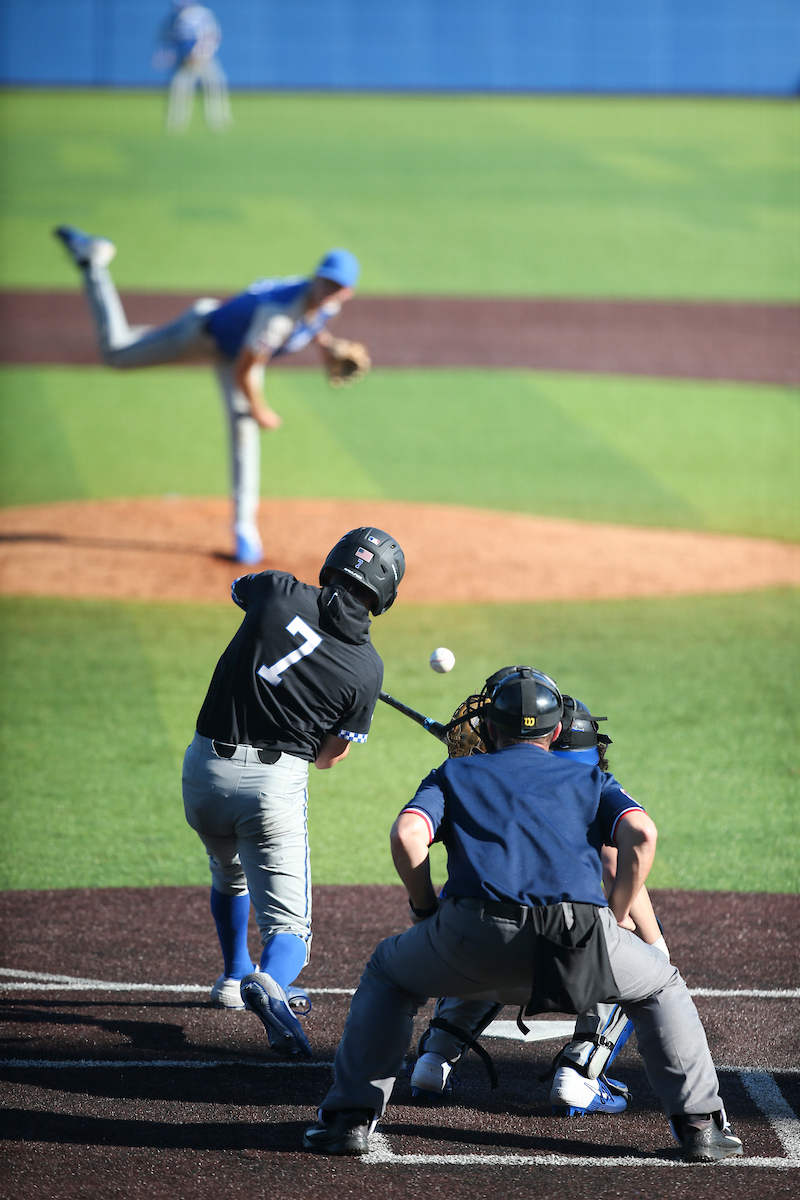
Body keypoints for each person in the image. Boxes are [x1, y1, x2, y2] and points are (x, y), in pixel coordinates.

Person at [303, 668, 743, 1162]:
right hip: (577, 942)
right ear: (557, 732)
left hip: (473, 939)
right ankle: (701, 1127)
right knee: (660, 986)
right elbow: (641, 835)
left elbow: (407, 835)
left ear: (488, 727)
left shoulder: (453, 774)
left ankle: (347, 1120)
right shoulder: (589, 776)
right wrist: (614, 917)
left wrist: (425, 909)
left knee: (388, 973)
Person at [181, 526, 405, 1057]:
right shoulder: (366, 668)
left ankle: (234, 977)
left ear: (332, 565)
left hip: (203, 774)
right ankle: (271, 982)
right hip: (271, 787)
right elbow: (327, 757)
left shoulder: (278, 589)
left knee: (228, 871)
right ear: (384, 596)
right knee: (291, 930)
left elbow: (240, 591)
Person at [409, 690, 670, 1117]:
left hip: (476, 953)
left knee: (480, 922)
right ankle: (579, 1072)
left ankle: (434, 1056)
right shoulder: (583, 787)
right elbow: (616, 858)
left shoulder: (477, 781)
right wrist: (650, 942)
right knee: (628, 953)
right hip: (562, 960)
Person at [54, 226, 361, 564]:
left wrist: (328, 347)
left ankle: (245, 532)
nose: (328, 289)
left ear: (348, 292)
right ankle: (94, 263)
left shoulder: (325, 304)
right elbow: (245, 368)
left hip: (234, 347)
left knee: (244, 436)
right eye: (325, 280)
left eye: (336, 286)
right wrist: (260, 410)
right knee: (116, 353)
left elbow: (312, 322)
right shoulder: (279, 316)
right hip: (200, 336)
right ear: (316, 276)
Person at [154, 1, 232, 133]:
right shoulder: (181, 18)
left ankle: (220, 121)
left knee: (215, 88)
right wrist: (172, 55)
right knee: (179, 89)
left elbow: (212, 36)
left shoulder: (201, 15)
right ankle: (175, 123)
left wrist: (200, 55)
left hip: (205, 59)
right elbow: (177, 41)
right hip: (188, 61)